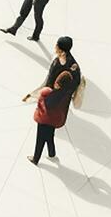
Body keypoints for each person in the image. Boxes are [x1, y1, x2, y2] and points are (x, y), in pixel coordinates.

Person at [22, 36, 80, 165]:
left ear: (60, 49)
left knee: (41, 131)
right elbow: (75, 84)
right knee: (50, 129)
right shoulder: (74, 65)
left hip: (50, 102)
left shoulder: (58, 63)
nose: (55, 47)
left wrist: (35, 95)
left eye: (56, 46)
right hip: (61, 105)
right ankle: (51, 152)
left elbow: (47, 83)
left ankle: (36, 158)